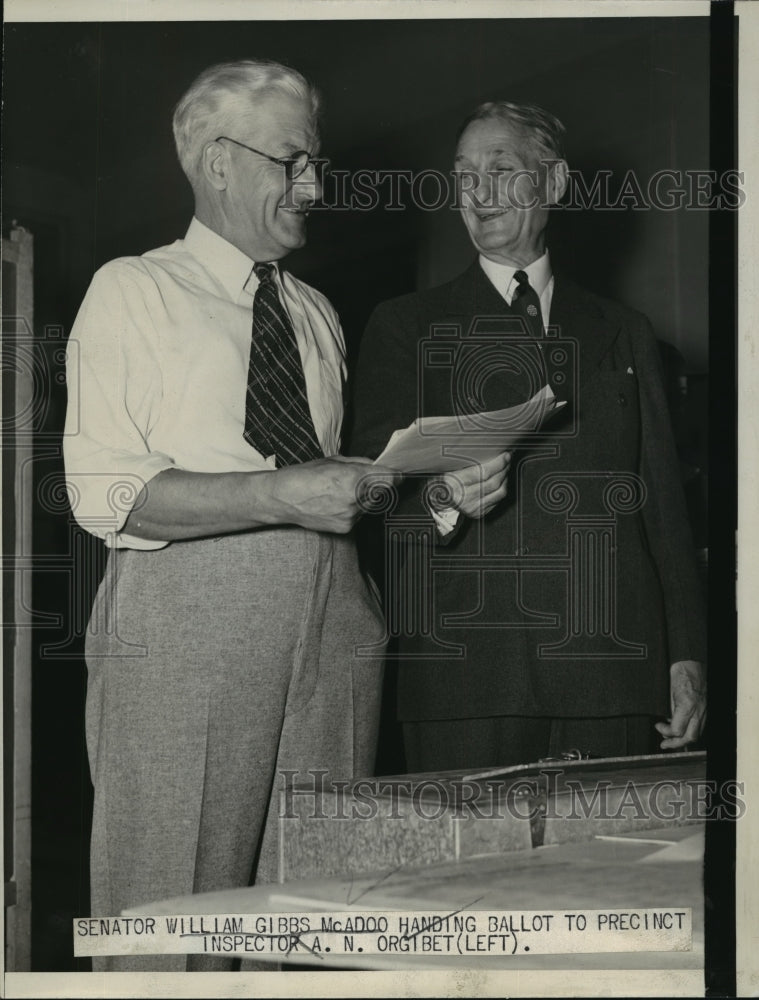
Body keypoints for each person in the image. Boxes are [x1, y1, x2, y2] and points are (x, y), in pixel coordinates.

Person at [63, 59, 395, 972]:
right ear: (217, 162)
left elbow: (330, 483)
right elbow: (105, 491)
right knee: (171, 918)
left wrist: (430, 486)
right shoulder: (133, 288)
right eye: (292, 161)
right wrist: (276, 495)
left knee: (311, 915)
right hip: (187, 622)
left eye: (314, 162)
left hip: (330, 623)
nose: (314, 185)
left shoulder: (318, 311)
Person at [350, 101, 706, 773]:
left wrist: (686, 654)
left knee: (610, 874)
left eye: (500, 167)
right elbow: (365, 498)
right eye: (462, 174)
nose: (477, 191)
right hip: (468, 680)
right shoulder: (404, 326)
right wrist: (440, 500)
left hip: (613, 675)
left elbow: (664, 508)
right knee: (467, 879)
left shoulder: (623, 330)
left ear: (554, 184)